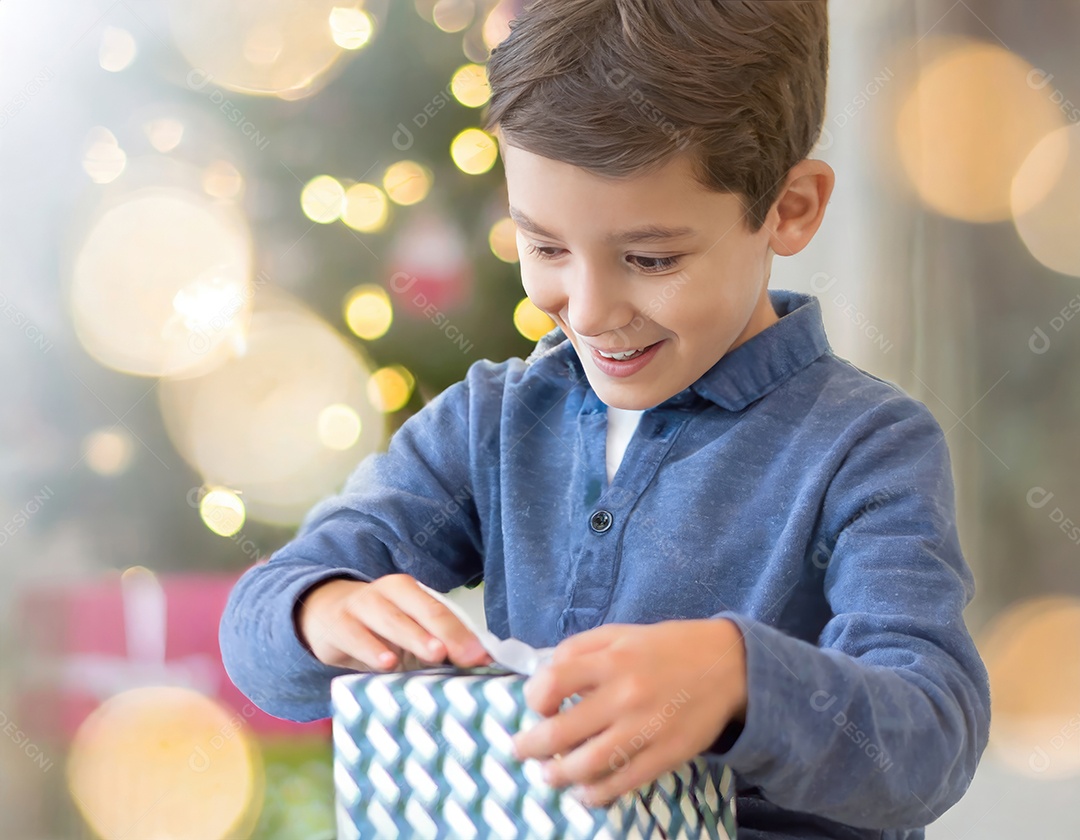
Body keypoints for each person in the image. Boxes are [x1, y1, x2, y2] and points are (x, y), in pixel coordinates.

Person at [219, 1, 990, 837]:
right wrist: (319, 609)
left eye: (651, 259)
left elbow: (930, 741)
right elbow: (258, 629)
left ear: (790, 208)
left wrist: (738, 679)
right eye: (544, 248)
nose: (586, 311)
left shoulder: (866, 447)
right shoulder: (491, 422)